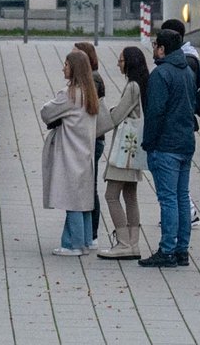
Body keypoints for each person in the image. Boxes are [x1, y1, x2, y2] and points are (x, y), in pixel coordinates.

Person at [139, 29, 196, 268]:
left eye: (155, 44)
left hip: (166, 144)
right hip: (185, 142)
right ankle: (182, 249)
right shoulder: (188, 72)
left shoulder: (161, 74)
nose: (153, 48)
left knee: (168, 199)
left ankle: (167, 249)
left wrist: (149, 142)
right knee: (182, 196)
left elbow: (155, 112)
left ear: (162, 48)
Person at [42, 50, 100, 256]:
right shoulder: (89, 93)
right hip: (84, 152)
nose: (63, 68)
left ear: (74, 68)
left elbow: (46, 111)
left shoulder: (69, 94)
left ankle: (72, 244)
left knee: (71, 200)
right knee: (83, 200)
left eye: (66, 64)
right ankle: (83, 240)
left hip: (69, 152)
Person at [97, 46, 150, 260]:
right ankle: (133, 243)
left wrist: (96, 128)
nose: (118, 64)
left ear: (129, 62)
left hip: (124, 151)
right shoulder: (142, 84)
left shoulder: (132, 86)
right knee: (130, 196)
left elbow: (118, 115)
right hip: (135, 150)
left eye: (121, 60)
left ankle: (123, 242)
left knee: (111, 196)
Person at [160, 18, 200, 227]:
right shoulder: (189, 58)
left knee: (174, 187)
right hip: (184, 128)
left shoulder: (183, 63)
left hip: (177, 129)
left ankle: (184, 219)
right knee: (179, 185)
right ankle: (185, 217)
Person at [74, 42, 114, 242]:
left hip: (93, 139)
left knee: (89, 186)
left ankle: (92, 232)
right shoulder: (87, 79)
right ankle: (89, 231)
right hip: (90, 139)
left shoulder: (92, 80)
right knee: (87, 184)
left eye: (75, 55)